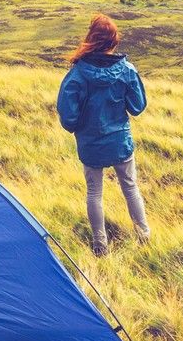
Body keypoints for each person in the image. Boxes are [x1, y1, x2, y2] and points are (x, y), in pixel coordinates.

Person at [56, 13, 150, 256]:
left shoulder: (77, 74)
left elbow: (68, 117)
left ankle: (100, 246)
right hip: (120, 142)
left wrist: (79, 128)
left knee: (94, 193)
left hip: (91, 144)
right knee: (131, 188)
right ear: (114, 40)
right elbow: (137, 106)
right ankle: (144, 237)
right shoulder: (127, 70)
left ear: (91, 38)